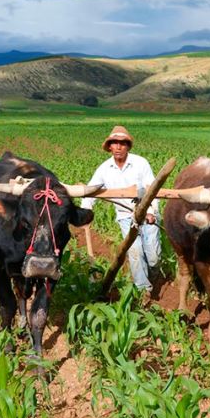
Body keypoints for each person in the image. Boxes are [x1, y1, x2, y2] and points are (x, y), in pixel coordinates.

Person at [81, 126, 161, 298]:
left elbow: (152, 188)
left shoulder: (140, 163)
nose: (118, 147)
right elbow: (90, 190)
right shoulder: (104, 169)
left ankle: (155, 276)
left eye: (122, 143)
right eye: (114, 143)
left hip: (147, 214)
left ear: (128, 146)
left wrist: (152, 211)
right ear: (109, 147)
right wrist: (86, 211)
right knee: (135, 252)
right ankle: (143, 290)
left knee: (153, 257)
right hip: (126, 217)